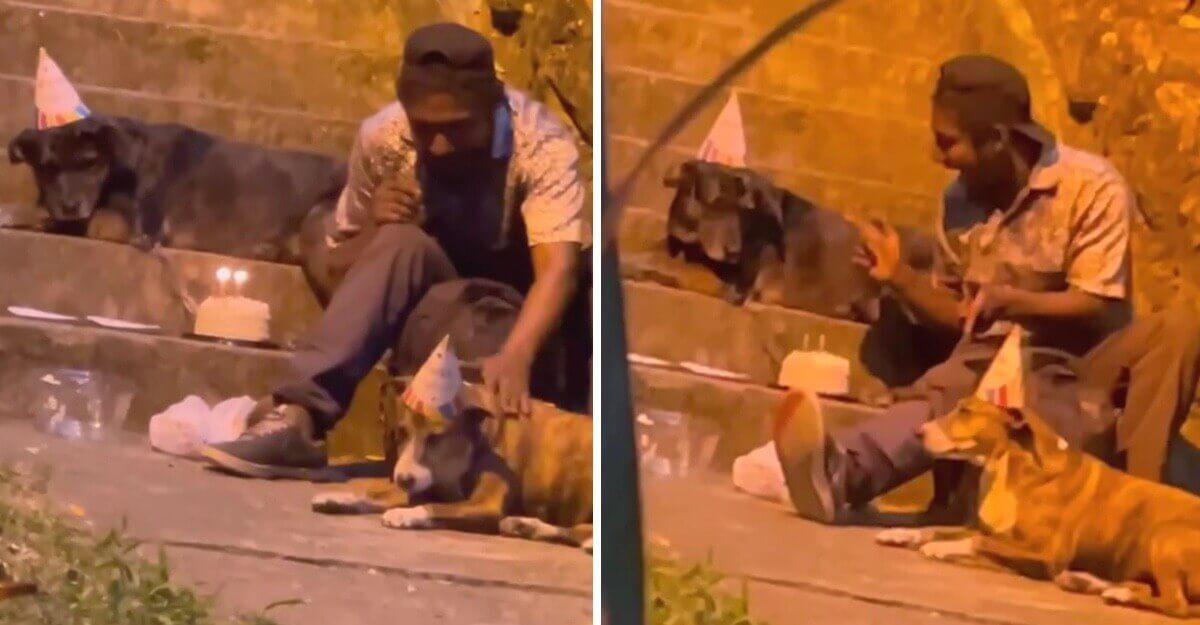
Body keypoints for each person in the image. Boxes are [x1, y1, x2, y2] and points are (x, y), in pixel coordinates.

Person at [776, 54, 1200, 524]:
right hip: (1004, 364)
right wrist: (901, 278)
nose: (937, 156)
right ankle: (842, 473)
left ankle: (1141, 506)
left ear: (997, 139)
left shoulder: (1091, 186)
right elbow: (963, 316)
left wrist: (1017, 303)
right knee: (962, 379)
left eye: (948, 142)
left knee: (1177, 330)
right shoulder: (958, 204)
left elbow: (1098, 303)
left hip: (1093, 363)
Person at [200, 22, 589, 480]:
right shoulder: (384, 137)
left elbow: (558, 269)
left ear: (492, 107)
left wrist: (517, 354)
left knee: (486, 342)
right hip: (429, 316)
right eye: (425, 130)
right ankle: (298, 417)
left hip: (511, 326)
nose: (439, 146)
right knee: (399, 243)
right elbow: (336, 269)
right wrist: (374, 227)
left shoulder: (540, 144)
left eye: (457, 129)